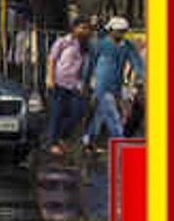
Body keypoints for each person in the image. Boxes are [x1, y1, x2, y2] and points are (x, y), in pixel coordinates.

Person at [83, 16, 146, 153]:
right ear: (110, 30)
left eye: (123, 31)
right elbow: (90, 64)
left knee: (100, 115)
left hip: (116, 86)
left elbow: (136, 63)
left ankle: (88, 139)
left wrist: (144, 77)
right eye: (118, 31)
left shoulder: (128, 46)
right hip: (101, 86)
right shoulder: (100, 44)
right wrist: (85, 82)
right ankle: (121, 143)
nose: (121, 34)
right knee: (112, 115)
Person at [44, 18, 93, 154]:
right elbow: (52, 59)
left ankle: (60, 135)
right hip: (59, 81)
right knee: (57, 113)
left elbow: (85, 66)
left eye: (87, 28)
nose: (85, 31)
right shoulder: (63, 41)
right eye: (82, 27)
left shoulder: (86, 45)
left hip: (75, 84)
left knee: (79, 110)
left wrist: (84, 83)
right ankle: (52, 143)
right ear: (74, 28)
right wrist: (50, 78)